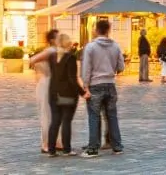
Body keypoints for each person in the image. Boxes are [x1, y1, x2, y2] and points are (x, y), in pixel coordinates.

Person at [80, 17, 126, 157]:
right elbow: (121, 67)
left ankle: (93, 147)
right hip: (110, 84)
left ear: (96, 30)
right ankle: (117, 146)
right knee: (112, 116)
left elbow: (86, 69)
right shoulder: (116, 46)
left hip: (95, 85)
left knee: (94, 116)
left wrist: (85, 85)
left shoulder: (91, 47)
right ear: (108, 30)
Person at [49, 32, 85, 157]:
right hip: (67, 94)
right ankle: (66, 149)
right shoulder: (70, 57)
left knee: (55, 121)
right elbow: (72, 79)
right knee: (66, 121)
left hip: (53, 93)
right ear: (67, 43)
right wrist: (82, 93)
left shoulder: (52, 56)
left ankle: (51, 149)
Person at [28, 29, 60, 154]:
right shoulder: (50, 51)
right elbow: (32, 60)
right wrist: (43, 71)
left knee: (55, 114)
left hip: (54, 83)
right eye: (58, 37)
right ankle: (46, 143)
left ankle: (56, 141)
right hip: (47, 84)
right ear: (52, 40)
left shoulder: (57, 50)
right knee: (47, 114)